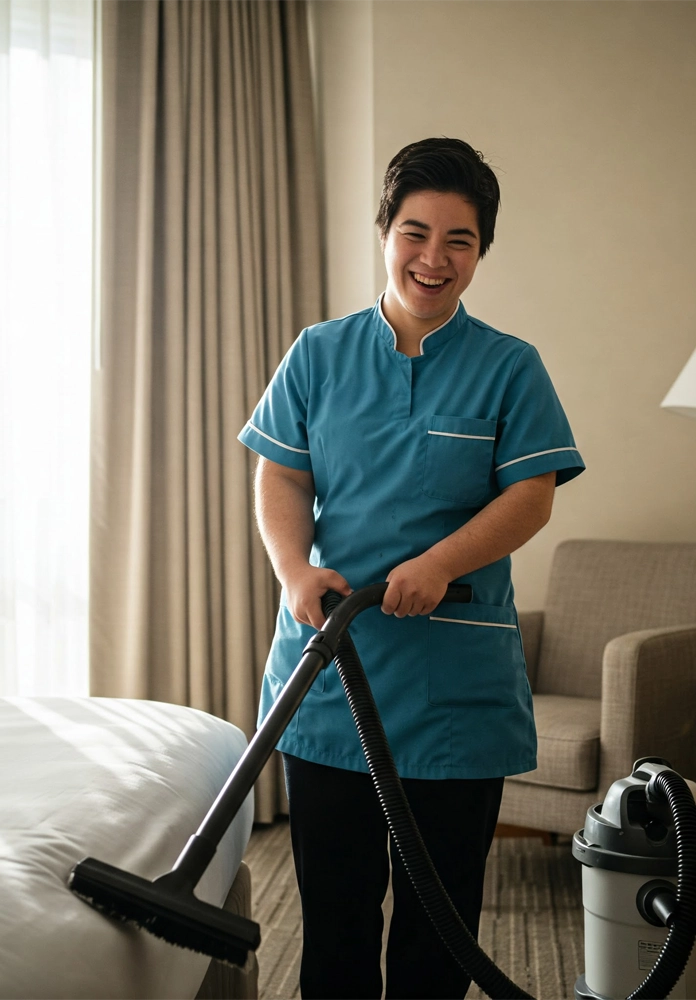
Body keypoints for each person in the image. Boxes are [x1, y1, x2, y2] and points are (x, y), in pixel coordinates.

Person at [238, 137, 585, 1000]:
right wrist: (292, 567)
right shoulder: (318, 353)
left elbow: (531, 495)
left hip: (453, 689)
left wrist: (437, 560)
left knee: (439, 932)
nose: (434, 258)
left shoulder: (510, 367)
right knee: (336, 920)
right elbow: (280, 472)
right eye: (416, 232)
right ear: (386, 231)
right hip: (331, 673)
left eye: (459, 240)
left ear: (481, 251)